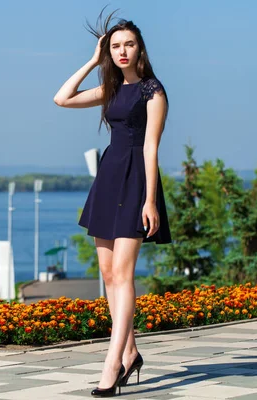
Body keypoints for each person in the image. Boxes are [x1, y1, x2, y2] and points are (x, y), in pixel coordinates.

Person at [53, 8, 172, 398]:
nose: (122, 51)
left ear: (140, 49)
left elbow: (152, 148)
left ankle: (113, 363)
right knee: (108, 275)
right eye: (116, 46)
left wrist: (150, 201)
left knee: (122, 275)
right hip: (108, 177)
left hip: (137, 179)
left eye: (129, 45)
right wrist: (92, 59)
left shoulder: (153, 90)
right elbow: (62, 99)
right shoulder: (112, 88)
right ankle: (132, 351)